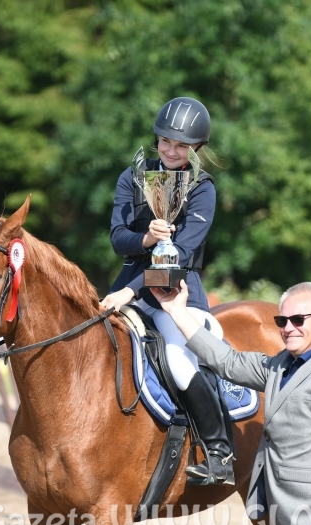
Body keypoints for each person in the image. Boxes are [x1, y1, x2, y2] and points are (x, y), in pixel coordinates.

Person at [151, 281, 311, 525]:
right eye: (282, 320)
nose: (288, 328)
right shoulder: (280, 365)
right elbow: (227, 362)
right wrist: (177, 311)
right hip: (283, 521)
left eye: (298, 319)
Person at [100, 97, 235, 485]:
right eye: (165, 142)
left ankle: (218, 451)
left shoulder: (202, 189)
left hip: (176, 295)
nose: (172, 152)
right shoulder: (133, 177)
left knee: (177, 360)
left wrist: (132, 293)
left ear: (197, 149)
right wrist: (145, 238)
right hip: (126, 285)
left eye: (182, 146)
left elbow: (182, 256)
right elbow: (117, 239)